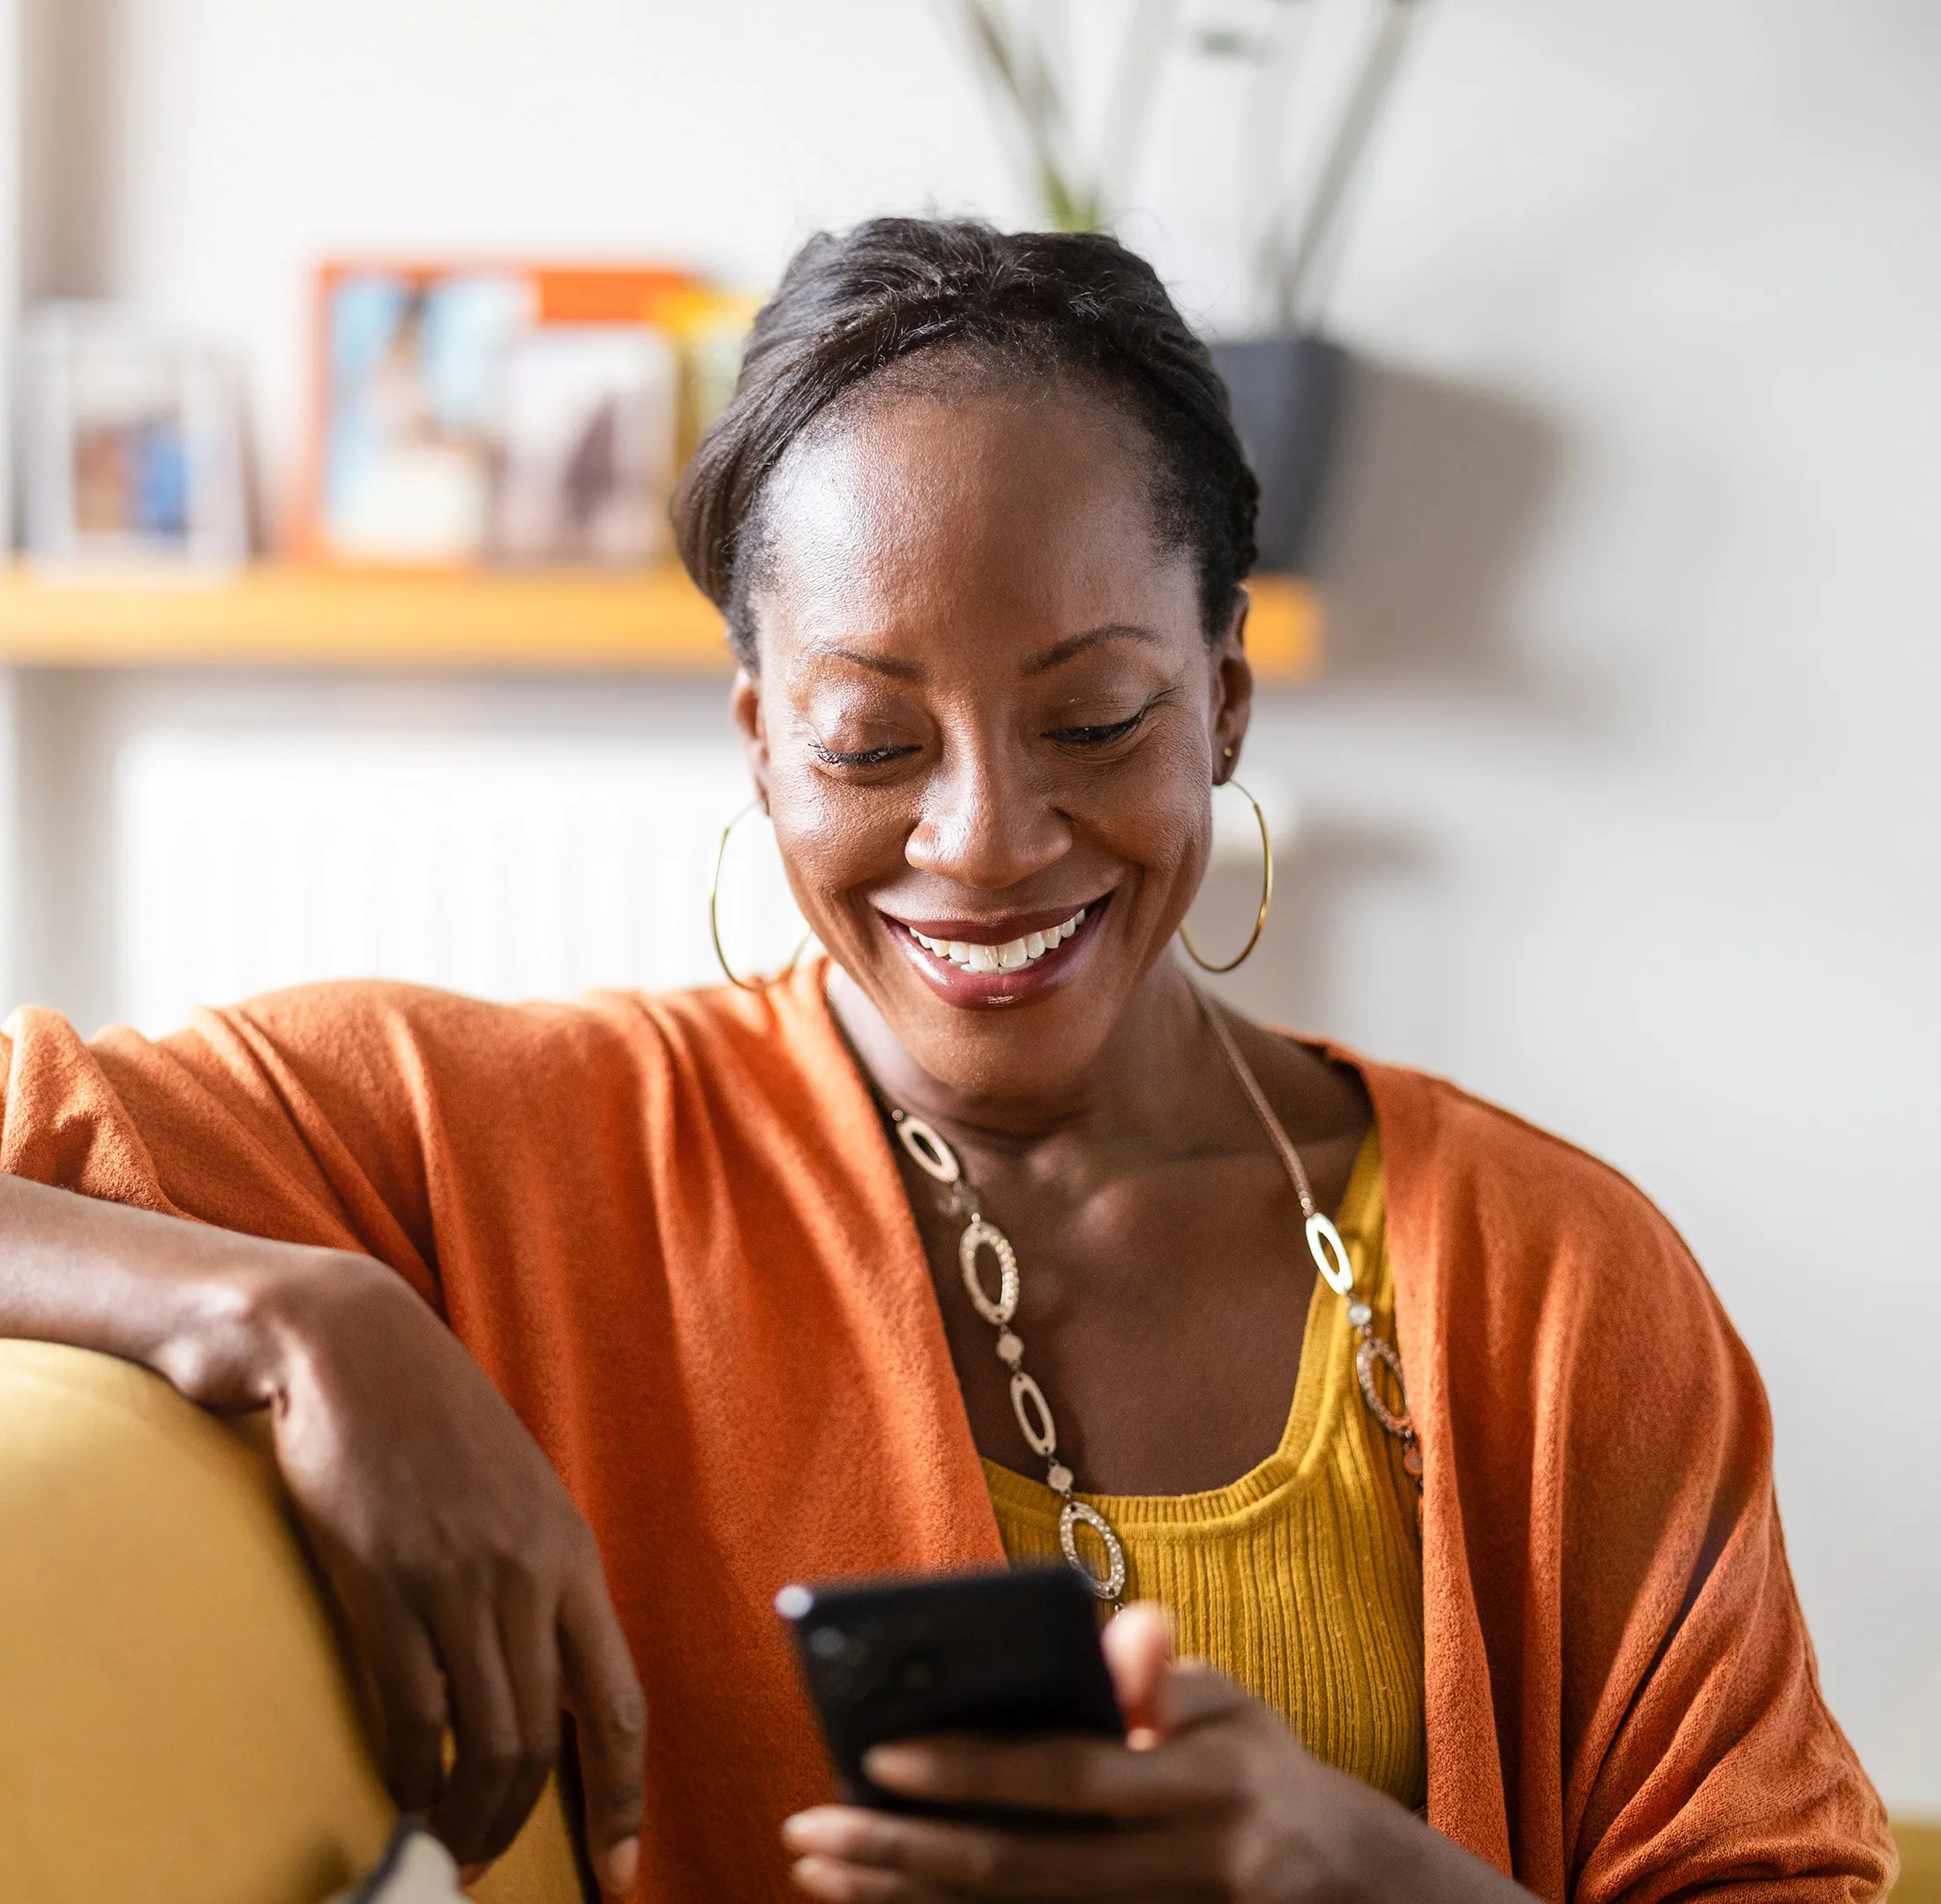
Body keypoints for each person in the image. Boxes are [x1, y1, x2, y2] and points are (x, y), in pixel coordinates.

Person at [0, 220, 1894, 1904]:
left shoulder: (1549, 1278)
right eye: (868, 741)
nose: (984, 836)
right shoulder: (485, 1147)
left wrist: (1351, 1870)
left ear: (1220, 701)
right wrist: (294, 1313)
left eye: (1090, 715)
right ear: (758, 740)